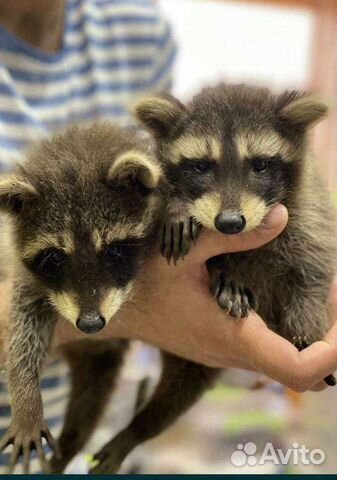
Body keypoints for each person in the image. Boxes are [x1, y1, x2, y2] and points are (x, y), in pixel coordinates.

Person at [0, 0, 337, 474]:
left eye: (260, 167)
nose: (231, 211)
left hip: (92, 422)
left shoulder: (138, 30)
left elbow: (158, 186)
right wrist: (143, 315)